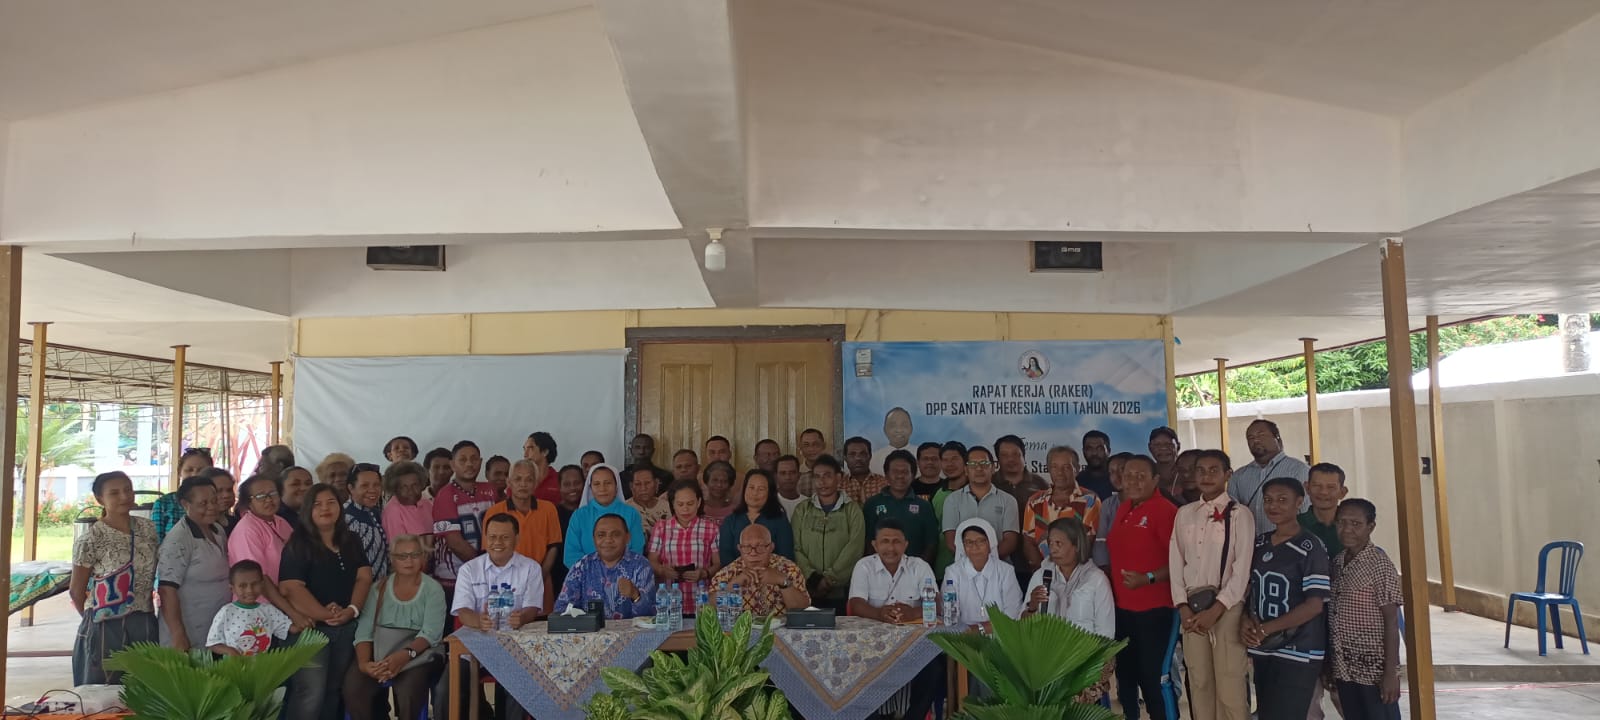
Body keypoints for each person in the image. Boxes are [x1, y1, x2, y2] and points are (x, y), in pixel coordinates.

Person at [1169, 449, 1254, 720]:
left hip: (1226, 606)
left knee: (1229, 683)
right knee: (1200, 680)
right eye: (1201, 470)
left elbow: (1241, 570)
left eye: (1214, 470)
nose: (1206, 476)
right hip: (1192, 609)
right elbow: (1175, 561)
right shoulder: (1185, 513)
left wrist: (1217, 609)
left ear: (1228, 475)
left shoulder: (1241, 514)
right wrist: (1182, 606)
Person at [279, 484, 374, 720]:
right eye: (317, 504)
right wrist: (324, 614)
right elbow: (291, 587)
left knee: (333, 692)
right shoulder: (298, 543)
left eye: (331, 502)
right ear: (307, 510)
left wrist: (351, 610)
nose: (325, 508)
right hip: (311, 631)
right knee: (310, 694)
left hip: (346, 626)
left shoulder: (350, 539)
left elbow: (364, 576)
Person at [1241, 478, 1331, 719]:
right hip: (1265, 647)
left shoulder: (1310, 546)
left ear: (1299, 503)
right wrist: (1247, 622)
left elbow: (1314, 605)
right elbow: (1250, 590)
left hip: (1298, 649)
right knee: (1268, 713)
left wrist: (1267, 628)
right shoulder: (1259, 543)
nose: (1274, 506)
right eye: (1268, 500)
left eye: (1282, 500)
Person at [453, 513, 547, 720]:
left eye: (505, 537)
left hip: (515, 648)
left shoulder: (531, 568)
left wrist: (522, 618)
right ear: (485, 538)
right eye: (492, 537)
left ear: (517, 538)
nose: (497, 543)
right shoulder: (469, 569)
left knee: (518, 684)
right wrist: (479, 621)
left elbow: (532, 608)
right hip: (475, 648)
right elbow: (463, 611)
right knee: (447, 688)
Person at [70, 471, 160, 685]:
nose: (124, 496)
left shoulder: (147, 529)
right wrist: (95, 621)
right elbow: (76, 589)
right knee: (104, 688)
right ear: (100, 499)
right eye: (114, 492)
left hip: (144, 618)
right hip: (105, 623)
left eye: (128, 489)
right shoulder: (91, 539)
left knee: (145, 685)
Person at [848, 519, 942, 720]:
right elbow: (856, 604)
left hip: (913, 645)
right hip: (871, 646)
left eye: (896, 541)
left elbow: (936, 602)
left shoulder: (919, 566)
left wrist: (913, 613)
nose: (891, 548)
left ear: (906, 544)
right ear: (874, 544)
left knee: (933, 668)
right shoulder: (864, 566)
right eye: (885, 541)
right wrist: (880, 613)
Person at [345, 535, 447, 720]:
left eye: (415, 554)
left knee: (409, 690)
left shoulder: (433, 590)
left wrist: (403, 656)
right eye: (402, 556)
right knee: (354, 688)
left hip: (420, 654)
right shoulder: (378, 589)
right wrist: (365, 665)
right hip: (382, 653)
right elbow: (364, 632)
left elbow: (431, 634)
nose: (409, 561)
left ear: (423, 557)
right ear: (392, 559)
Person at [1107, 454, 1177, 720]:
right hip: (1123, 610)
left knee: (1153, 679)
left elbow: (1180, 563)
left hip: (1155, 610)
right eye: (1128, 475)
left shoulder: (1165, 511)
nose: (1134, 481)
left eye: (1141, 476)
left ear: (1155, 480)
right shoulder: (1124, 509)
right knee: (1125, 676)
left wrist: (1147, 578)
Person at [1024, 517, 1115, 704]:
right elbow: (1022, 627)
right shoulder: (1041, 575)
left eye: (1059, 543)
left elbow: (1106, 633)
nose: (1053, 548)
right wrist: (1032, 606)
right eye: (1050, 543)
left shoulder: (1096, 579)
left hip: (1085, 660)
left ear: (1076, 546)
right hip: (1047, 660)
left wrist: (1085, 663)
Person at [1329, 498, 1403, 720]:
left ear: (1370, 527)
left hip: (1374, 668)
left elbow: (1391, 621)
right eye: (1342, 523)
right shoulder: (1338, 561)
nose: (1347, 530)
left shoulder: (1379, 564)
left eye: (1356, 524)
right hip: (1345, 665)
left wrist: (1391, 673)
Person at [157, 475, 231, 652]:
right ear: (185, 504)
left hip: (215, 627)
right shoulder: (178, 540)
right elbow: (167, 590)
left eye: (214, 501)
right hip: (188, 630)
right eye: (203, 503)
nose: (211, 507)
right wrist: (178, 634)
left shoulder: (218, 529)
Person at [227, 474, 312, 629]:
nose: (269, 500)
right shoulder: (247, 530)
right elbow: (260, 578)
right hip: (258, 610)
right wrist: (292, 613)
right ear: (248, 502)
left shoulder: (280, 522)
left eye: (273, 494)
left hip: (286, 604)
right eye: (260, 496)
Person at [482, 459, 563, 611]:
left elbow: (553, 546)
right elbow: (490, 549)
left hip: (541, 579)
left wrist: (537, 577)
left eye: (529, 479)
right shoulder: (494, 512)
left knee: (540, 627)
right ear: (509, 482)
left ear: (536, 482)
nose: (523, 484)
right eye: (518, 479)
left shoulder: (548, 509)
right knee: (505, 624)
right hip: (503, 583)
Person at [790, 454, 865, 609]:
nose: (822, 482)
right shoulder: (802, 509)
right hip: (807, 589)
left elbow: (855, 548)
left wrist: (830, 579)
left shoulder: (852, 509)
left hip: (841, 591)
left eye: (827, 476)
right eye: (817, 477)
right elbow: (795, 547)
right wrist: (813, 578)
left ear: (838, 478)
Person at [555, 514, 657, 619]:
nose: (608, 540)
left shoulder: (640, 565)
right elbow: (561, 610)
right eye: (601, 535)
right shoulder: (581, 567)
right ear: (593, 539)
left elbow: (651, 616)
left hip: (634, 634)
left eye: (616, 534)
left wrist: (635, 595)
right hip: (590, 634)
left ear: (627, 538)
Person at [432, 440, 498, 597]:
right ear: (453, 465)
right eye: (463, 459)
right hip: (454, 577)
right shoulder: (445, 495)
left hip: (489, 575)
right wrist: (486, 567)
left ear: (481, 462)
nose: (469, 464)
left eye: (474, 459)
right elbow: (454, 542)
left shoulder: (490, 490)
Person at [1021, 446, 1100, 573]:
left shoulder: (1089, 500)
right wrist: (1044, 571)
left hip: (1077, 573)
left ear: (1077, 469)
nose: (1060, 472)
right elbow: (1028, 542)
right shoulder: (1035, 501)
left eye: (1066, 467)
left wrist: (1065, 573)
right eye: (1054, 467)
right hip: (1043, 572)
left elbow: (1086, 542)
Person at [941, 445, 1020, 571]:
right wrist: (972, 563)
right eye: (972, 464)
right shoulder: (952, 500)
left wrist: (985, 562)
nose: (979, 468)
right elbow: (951, 541)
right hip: (963, 570)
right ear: (966, 470)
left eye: (984, 463)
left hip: (999, 569)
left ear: (993, 468)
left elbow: (1010, 542)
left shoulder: (1008, 500)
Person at [649, 480, 723, 615]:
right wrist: (662, 570)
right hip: (670, 600)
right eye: (680, 504)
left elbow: (718, 564)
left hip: (701, 599)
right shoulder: (661, 527)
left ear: (699, 502)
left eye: (690, 504)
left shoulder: (711, 528)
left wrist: (704, 573)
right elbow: (652, 560)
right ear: (672, 504)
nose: (685, 509)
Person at [1228, 419, 1311, 532]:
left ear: (1277, 439)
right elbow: (1232, 515)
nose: (1256, 440)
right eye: (1250, 438)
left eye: (1261, 435)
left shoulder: (1299, 470)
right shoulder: (1239, 476)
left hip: (1287, 544)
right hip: (1249, 545)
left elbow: (1306, 511)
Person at [711, 524, 810, 618]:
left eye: (760, 547)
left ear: (771, 547)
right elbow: (708, 609)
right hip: (742, 632)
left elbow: (802, 610)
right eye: (747, 547)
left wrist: (782, 581)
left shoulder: (789, 569)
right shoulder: (727, 573)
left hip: (781, 631)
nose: (753, 553)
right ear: (739, 548)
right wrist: (733, 585)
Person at [861, 450, 938, 564]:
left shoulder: (924, 506)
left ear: (912, 475)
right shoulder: (872, 503)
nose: (900, 476)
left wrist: (919, 569)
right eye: (895, 471)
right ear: (886, 475)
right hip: (880, 571)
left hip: (914, 571)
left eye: (905, 472)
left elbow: (931, 543)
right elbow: (868, 541)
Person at [946, 518, 1023, 629]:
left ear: (990, 543)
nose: (974, 546)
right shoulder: (952, 572)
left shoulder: (1006, 571)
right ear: (962, 546)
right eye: (969, 542)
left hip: (1000, 634)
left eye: (980, 541)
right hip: (963, 636)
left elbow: (1013, 612)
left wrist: (981, 629)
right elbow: (949, 612)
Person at [564, 464, 646, 566]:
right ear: (590, 488)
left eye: (608, 483)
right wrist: (597, 573)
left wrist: (615, 572)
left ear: (616, 486)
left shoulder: (631, 513)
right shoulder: (579, 516)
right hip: (587, 578)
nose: (602, 488)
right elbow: (571, 555)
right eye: (597, 484)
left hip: (624, 577)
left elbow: (637, 551)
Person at [206, 560, 292, 656]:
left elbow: (288, 628)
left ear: (262, 585)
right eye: (243, 586)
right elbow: (212, 643)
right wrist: (230, 651)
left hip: (263, 666)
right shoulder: (226, 612)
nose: (249, 590)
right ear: (232, 589)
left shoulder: (268, 610)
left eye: (255, 584)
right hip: (234, 667)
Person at [717, 469, 796, 565]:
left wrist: (766, 573)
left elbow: (786, 556)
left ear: (769, 493)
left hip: (772, 576)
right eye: (751, 487)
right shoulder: (730, 521)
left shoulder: (780, 520)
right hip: (737, 576)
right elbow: (726, 556)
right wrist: (744, 574)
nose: (755, 493)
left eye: (761, 489)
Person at [150, 447, 215, 543]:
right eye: (189, 470)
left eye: (201, 470)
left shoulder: (215, 502)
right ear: (179, 473)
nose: (194, 474)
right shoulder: (163, 504)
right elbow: (156, 541)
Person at [344, 463, 390, 579]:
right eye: (364, 486)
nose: (372, 490)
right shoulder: (343, 517)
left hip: (380, 587)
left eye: (377, 485)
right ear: (351, 488)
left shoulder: (375, 512)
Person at [932, 441, 969, 578]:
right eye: (945, 460)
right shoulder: (938, 493)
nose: (949, 464)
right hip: (944, 566)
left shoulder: (977, 490)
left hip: (975, 565)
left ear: (965, 461)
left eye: (954, 459)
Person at [381, 461, 434, 553]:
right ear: (395, 488)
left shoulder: (427, 504)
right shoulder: (392, 512)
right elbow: (399, 551)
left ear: (422, 484)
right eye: (403, 487)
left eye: (415, 485)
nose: (410, 491)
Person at [1301, 463, 1349, 561]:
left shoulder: (1353, 525)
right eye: (1317, 485)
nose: (1323, 492)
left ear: (1342, 492)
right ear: (1307, 488)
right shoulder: (1294, 525)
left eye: (1331, 487)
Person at [994, 434, 1050, 518]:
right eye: (1004, 455)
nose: (1010, 459)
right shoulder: (990, 483)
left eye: (1015, 454)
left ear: (1024, 456)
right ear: (998, 459)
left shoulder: (1040, 484)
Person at [551, 464, 586, 592]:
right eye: (566, 484)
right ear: (559, 487)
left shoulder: (590, 513)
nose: (572, 488)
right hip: (558, 577)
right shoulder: (552, 513)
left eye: (577, 483)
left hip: (587, 575)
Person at [1093, 453, 1131, 569]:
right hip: (1113, 570)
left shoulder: (1150, 503)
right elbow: (1101, 541)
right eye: (1112, 472)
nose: (1117, 476)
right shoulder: (1108, 504)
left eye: (1122, 470)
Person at [841, 436, 888, 506]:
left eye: (862, 454)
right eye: (852, 454)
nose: (858, 458)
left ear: (870, 456)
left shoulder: (884, 483)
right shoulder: (839, 485)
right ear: (845, 458)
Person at [869, 407, 914, 475]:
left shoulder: (922, 457)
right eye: (893, 425)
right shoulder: (874, 459)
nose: (899, 430)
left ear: (911, 429)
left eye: (904, 425)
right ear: (885, 430)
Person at [626, 465, 671, 532]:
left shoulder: (668, 506)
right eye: (638, 484)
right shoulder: (626, 509)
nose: (643, 488)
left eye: (647, 483)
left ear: (656, 483)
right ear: (631, 486)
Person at [522, 431, 562, 504]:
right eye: (524, 449)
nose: (525, 454)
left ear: (545, 452)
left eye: (530, 448)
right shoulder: (517, 481)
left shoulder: (561, 480)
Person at [1077, 430, 1114, 500]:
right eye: (1089, 449)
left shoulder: (1118, 480)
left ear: (1108, 451)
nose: (1094, 453)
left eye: (1100, 449)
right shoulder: (1077, 482)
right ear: (1083, 451)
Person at [1147, 426, 1181, 498]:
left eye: (1169, 444)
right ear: (1150, 448)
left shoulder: (1186, 473)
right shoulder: (1146, 476)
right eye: (1157, 445)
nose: (1163, 448)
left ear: (1178, 446)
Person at [203, 467, 240, 532]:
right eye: (218, 491)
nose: (226, 495)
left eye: (229, 490)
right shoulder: (201, 526)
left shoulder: (236, 523)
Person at [796, 428, 827, 496]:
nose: (811, 449)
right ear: (800, 448)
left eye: (815, 444)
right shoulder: (796, 474)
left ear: (824, 446)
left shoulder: (836, 472)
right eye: (806, 445)